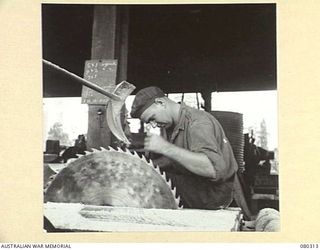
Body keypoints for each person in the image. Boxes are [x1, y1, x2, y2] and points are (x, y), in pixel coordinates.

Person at [130, 86, 238, 210]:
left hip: (212, 193)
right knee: (145, 177)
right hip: (195, 183)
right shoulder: (171, 124)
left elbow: (212, 169)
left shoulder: (197, 123)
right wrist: (147, 165)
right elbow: (179, 161)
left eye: (152, 118)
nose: (154, 125)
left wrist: (165, 147)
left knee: (146, 186)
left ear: (160, 103)